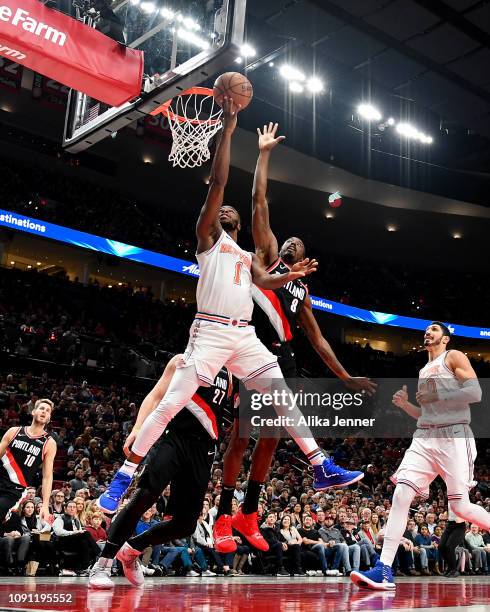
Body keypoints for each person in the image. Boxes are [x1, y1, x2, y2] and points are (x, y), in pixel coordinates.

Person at [97, 100, 365, 516]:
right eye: (218, 209)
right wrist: (230, 127)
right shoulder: (208, 239)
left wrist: (290, 278)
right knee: (170, 403)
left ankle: (320, 464)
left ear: (235, 223)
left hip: (244, 335)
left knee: (282, 398)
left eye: (227, 212)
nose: (222, 210)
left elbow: (267, 280)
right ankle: (125, 474)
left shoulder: (247, 257)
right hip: (209, 332)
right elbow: (221, 182)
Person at [213, 122, 376, 553]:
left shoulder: (302, 290)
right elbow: (258, 201)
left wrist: (345, 379)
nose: (291, 242)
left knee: (270, 438)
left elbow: (319, 341)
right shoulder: (266, 256)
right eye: (290, 239)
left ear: (304, 258)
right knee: (242, 437)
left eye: (299, 243)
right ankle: (224, 513)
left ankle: (249, 512)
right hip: (251, 349)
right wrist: (264, 154)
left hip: (283, 359)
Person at [351, 322, 489, 590]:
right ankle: (384, 569)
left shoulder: (453, 356)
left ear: (446, 339)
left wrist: (437, 393)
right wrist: (406, 406)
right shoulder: (424, 370)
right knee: (401, 493)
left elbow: (476, 392)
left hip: (454, 437)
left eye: (435, 330)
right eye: (426, 329)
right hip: (425, 436)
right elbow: (428, 413)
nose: (428, 332)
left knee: (460, 508)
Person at [88, 355, 233, 588]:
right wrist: (137, 428)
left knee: (186, 524)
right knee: (143, 497)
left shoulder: (232, 373)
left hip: (204, 448)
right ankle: (102, 564)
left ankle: (132, 549)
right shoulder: (183, 360)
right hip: (174, 438)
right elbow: (156, 396)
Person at [0, 398, 56, 523]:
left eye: (47, 411)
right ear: (33, 412)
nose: (44, 412)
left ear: (49, 418)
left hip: (14, 489)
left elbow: (47, 477)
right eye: (41, 408)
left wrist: (45, 505)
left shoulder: (49, 443)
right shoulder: (14, 431)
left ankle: (6, 514)